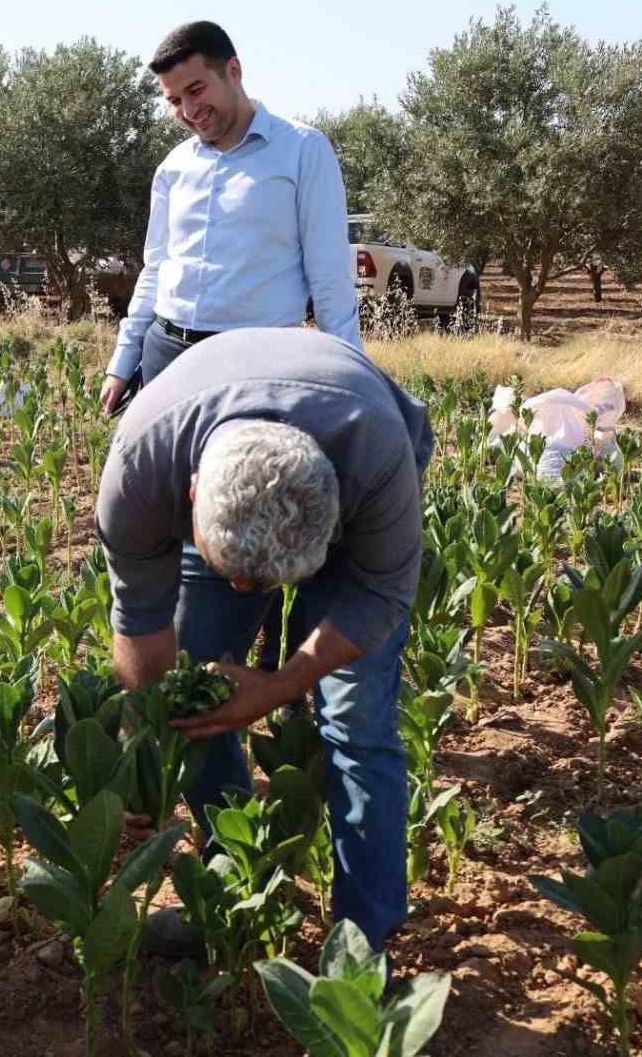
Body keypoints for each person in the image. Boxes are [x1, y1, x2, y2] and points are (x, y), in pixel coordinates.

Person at [95, 326, 432, 955]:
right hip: (204, 443)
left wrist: (280, 686)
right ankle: (228, 897)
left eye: (267, 582)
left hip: (357, 454)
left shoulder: (378, 464)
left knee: (356, 721)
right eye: (236, 576)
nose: (249, 591)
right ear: (192, 495)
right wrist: (146, 747)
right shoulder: (140, 472)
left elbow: (381, 597)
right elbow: (141, 621)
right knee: (194, 694)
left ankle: (362, 944)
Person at [98, 20, 360, 415]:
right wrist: (122, 362)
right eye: (173, 101)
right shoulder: (173, 167)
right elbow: (155, 270)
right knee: (155, 479)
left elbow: (328, 278)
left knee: (248, 478)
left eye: (196, 89)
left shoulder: (304, 150)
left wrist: (354, 378)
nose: (188, 111)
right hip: (165, 357)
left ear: (234, 71)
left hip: (257, 365)